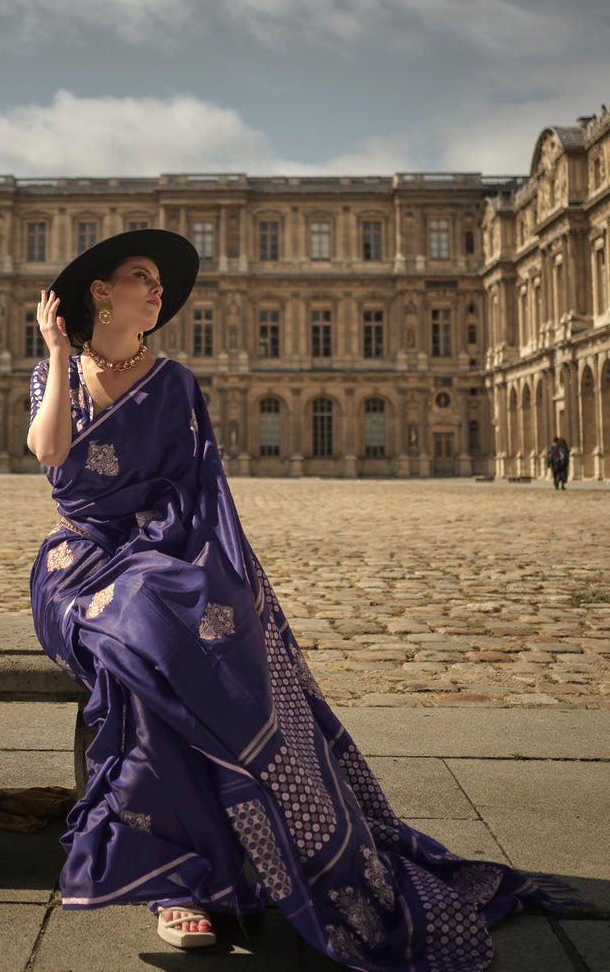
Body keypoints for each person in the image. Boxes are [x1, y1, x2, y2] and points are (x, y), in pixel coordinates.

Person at [28, 230, 577, 971]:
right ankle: (183, 874)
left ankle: (208, 864)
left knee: (191, 631)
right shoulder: (54, 371)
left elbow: (199, 499)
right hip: (81, 566)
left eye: (160, 282)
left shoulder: (175, 381)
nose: (159, 292)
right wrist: (60, 355)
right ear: (100, 291)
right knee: (159, 632)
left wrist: (210, 568)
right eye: (142, 277)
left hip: (158, 558)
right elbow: (52, 454)